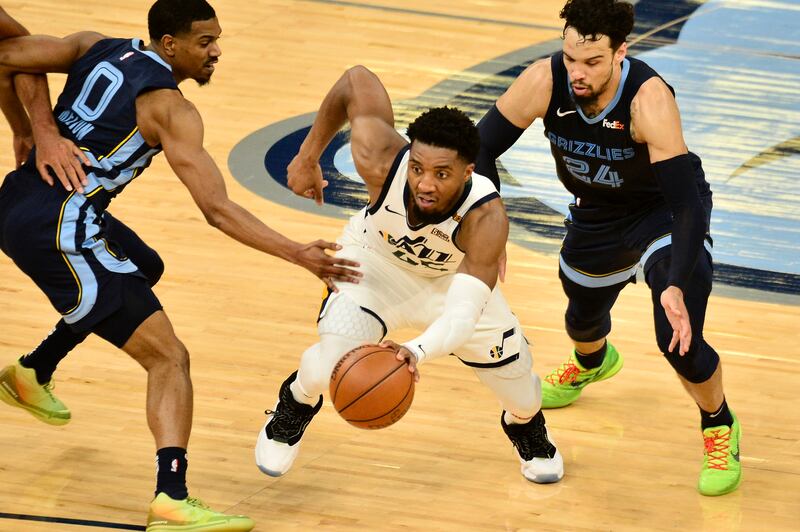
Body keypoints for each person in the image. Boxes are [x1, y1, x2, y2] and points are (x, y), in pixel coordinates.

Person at [0, 0, 361, 529]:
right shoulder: (170, 108)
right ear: (169, 45)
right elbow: (217, 210)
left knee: (143, 264)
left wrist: (37, 129)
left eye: (218, 40)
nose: (216, 52)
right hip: (60, 228)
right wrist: (297, 253)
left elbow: (11, 55)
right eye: (204, 42)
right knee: (170, 359)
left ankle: (34, 370)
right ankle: (171, 498)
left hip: (18, 200)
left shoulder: (92, 45)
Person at [475, 0, 740, 496]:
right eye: (571, 58)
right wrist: (493, 225)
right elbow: (481, 146)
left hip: (661, 213)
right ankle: (593, 362)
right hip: (595, 211)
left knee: (677, 341)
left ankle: (718, 423)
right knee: (581, 317)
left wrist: (676, 282)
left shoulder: (648, 99)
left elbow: (686, 205)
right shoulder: (543, 80)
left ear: (622, 51)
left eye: (593, 63)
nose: (577, 72)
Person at [255, 65, 564, 485]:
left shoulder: (485, 218)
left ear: (469, 171)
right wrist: (308, 156)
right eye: (418, 168)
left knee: (523, 393)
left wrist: (415, 351)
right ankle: (295, 403)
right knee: (332, 363)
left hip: (451, 284)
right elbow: (354, 80)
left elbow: (460, 318)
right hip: (374, 266)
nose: (424, 183)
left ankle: (524, 426)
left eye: (442, 174)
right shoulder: (380, 159)